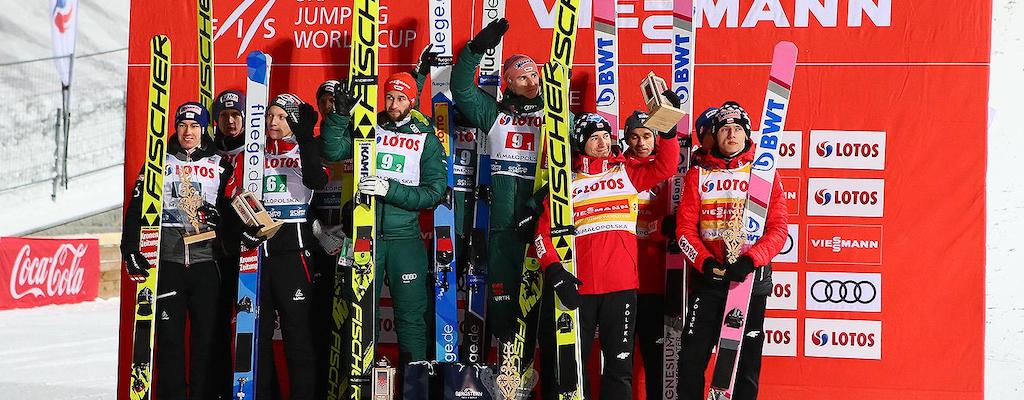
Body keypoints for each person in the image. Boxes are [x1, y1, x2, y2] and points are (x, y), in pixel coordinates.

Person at [533, 109, 680, 399]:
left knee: (618, 368)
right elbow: (541, 235)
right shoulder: (566, 185)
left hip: (621, 287)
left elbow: (666, 165)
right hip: (578, 288)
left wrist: (668, 127)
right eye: (594, 138)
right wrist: (553, 270)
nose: (602, 143)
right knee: (572, 370)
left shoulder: (626, 173)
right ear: (580, 142)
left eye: (605, 136)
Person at [452, 17, 574, 355]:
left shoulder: (558, 115)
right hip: (505, 227)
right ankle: (507, 375)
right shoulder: (495, 115)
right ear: (508, 83)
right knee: (505, 310)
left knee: (548, 317)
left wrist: (537, 204)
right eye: (522, 76)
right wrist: (475, 49)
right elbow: (461, 88)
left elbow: (576, 169)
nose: (532, 81)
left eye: (534, 74)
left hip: (547, 224)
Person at [320, 71, 446, 363]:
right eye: (389, 96)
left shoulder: (424, 138)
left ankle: (414, 387)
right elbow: (332, 150)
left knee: (411, 317)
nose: (393, 103)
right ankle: (362, 384)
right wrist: (340, 115)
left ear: (412, 101)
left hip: (405, 240)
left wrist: (391, 190)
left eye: (401, 98)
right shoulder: (369, 124)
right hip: (366, 234)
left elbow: (434, 192)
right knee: (362, 316)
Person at [674, 101, 788, 400]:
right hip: (709, 280)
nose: (732, 134)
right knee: (691, 358)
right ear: (714, 135)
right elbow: (685, 230)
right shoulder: (698, 176)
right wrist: (705, 262)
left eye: (738, 128)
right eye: (725, 128)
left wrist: (751, 260)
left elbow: (778, 230)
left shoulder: (763, 174)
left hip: (749, 281)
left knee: (745, 363)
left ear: (747, 135)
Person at [122, 102, 231, 399]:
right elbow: (136, 207)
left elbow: (231, 211)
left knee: (206, 341)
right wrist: (129, 247)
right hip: (168, 262)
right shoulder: (158, 162)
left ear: (205, 129)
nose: (188, 132)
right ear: (175, 127)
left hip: (206, 263)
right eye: (183, 125)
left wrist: (221, 219)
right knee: (169, 341)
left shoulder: (221, 164)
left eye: (195, 126)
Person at [224, 93, 328, 400]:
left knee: (297, 334)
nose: (273, 122)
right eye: (270, 116)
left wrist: (306, 138)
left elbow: (317, 180)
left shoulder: (305, 148)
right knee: (257, 337)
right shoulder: (252, 154)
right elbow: (232, 197)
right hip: (256, 253)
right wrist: (241, 228)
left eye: (282, 117)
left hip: (293, 253)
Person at [620, 110, 678, 400]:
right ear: (626, 139)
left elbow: (669, 163)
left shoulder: (667, 171)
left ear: (656, 138)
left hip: (655, 279)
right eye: (634, 136)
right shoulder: (619, 170)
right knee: (621, 360)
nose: (641, 142)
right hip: (623, 279)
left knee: (657, 359)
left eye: (646, 135)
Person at [209, 89, 247, 399]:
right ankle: (219, 388)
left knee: (248, 322)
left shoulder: (256, 152)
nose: (231, 122)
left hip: (245, 248)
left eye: (236, 116)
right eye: (225, 116)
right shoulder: (208, 152)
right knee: (216, 323)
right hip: (211, 252)